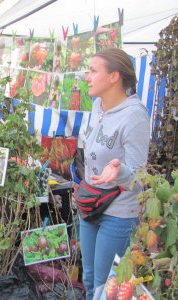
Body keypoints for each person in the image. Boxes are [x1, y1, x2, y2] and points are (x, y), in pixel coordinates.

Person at [80, 48, 150, 299]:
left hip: (118, 214)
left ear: (114, 77)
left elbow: (140, 176)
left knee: (103, 287)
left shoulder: (135, 116)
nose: (87, 77)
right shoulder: (98, 106)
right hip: (90, 205)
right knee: (88, 280)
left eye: (93, 71)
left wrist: (119, 170)